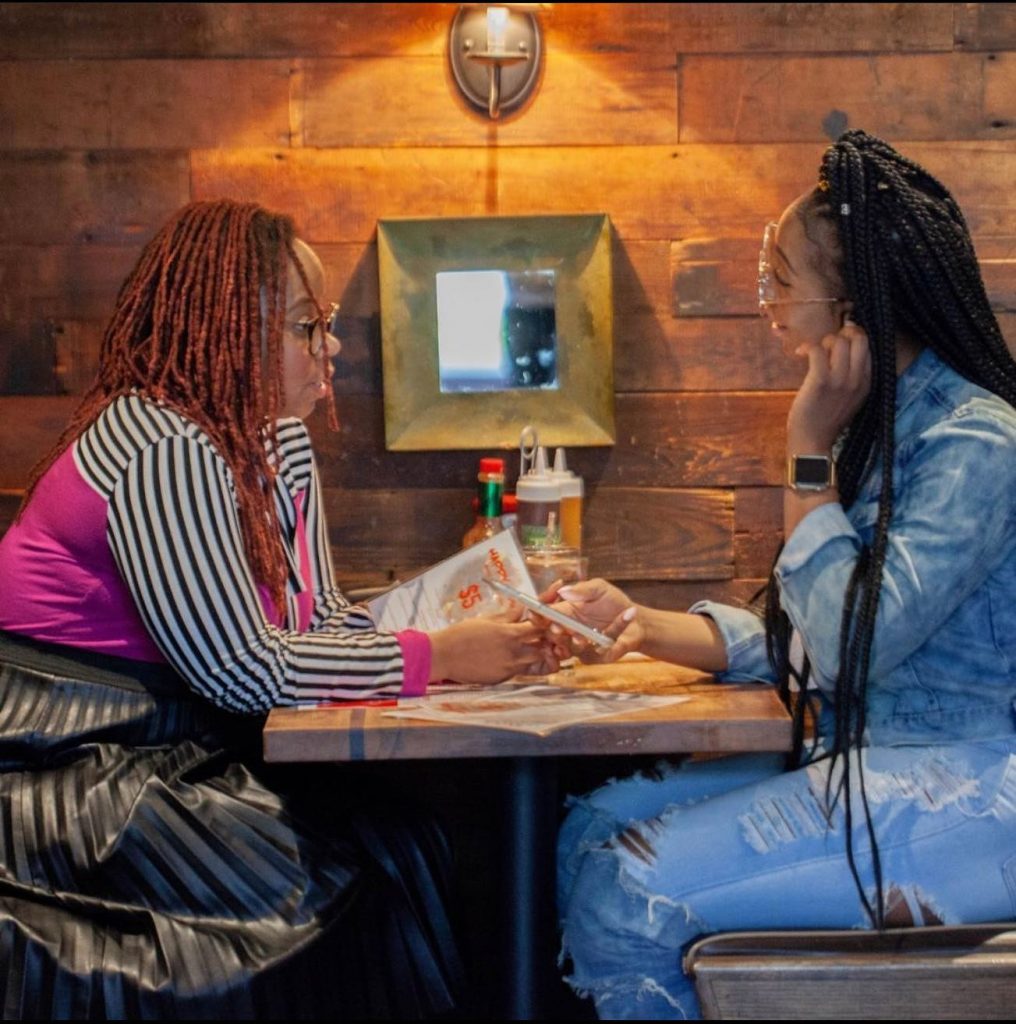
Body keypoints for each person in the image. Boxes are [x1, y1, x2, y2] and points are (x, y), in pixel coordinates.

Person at [0, 199, 557, 1018]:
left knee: (409, 839)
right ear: (230, 327)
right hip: (72, 759)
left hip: (164, 738)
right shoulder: (166, 445)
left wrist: (442, 619)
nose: (328, 344)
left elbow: (314, 621)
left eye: (324, 321)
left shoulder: (268, 443)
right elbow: (241, 670)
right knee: (345, 883)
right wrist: (439, 658)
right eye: (307, 325)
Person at [552, 130, 1016, 1019]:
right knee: (589, 827)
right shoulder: (877, 426)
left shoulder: (973, 441)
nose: (762, 300)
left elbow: (845, 645)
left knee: (626, 892)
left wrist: (804, 453)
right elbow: (802, 634)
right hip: (868, 767)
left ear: (851, 307)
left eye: (778, 279)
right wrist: (641, 625)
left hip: (958, 796)